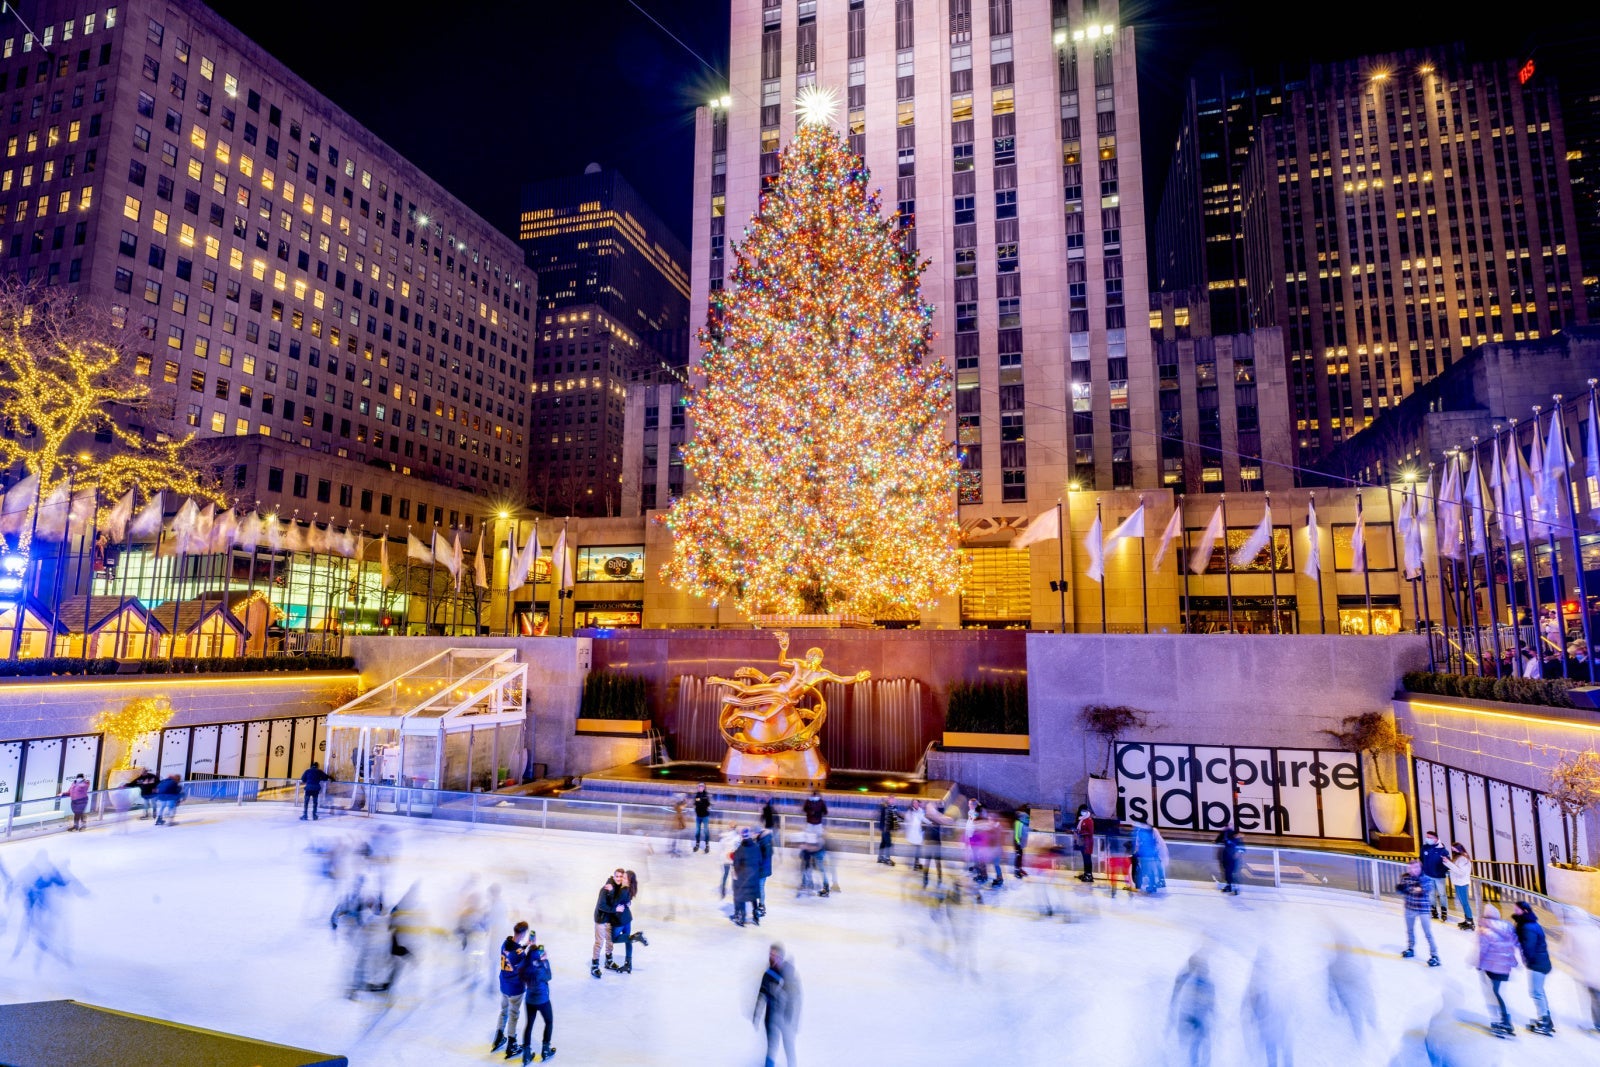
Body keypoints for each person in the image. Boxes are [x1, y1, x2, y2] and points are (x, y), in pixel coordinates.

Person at [1475, 903, 1520, 1037]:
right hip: (1505, 966)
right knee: (1498, 992)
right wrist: (1514, 962)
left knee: (1495, 993)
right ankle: (1504, 1020)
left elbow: (1483, 950)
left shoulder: (1484, 929)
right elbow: (1515, 944)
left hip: (1492, 966)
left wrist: (1479, 964)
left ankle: (1505, 1021)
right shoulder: (1507, 927)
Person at [752, 943, 800, 1067]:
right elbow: (762, 993)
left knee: (788, 1047)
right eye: (770, 955)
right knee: (772, 1046)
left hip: (786, 1018)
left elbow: (796, 998)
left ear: (781, 957)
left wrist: (794, 1020)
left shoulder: (789, 974)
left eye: (775, 955)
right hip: (771, 1017)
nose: (772, 957)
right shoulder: (768, 974)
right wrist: (757, 1012)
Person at [1512, 901, 1554, 1035]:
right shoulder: (1528, 923)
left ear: (1524, 911)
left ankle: (1545, 1021)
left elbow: (1528, 947)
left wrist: (1526, 960)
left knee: (1536, 992)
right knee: (1538, 991)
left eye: (1517, 909)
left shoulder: (1528, 926)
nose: (1515, 911)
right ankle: (1545, 1019)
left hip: (1537, 963)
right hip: (1539, 962)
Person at [1168, 952, 1215, 1067]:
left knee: (1193, 1047)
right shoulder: (1197, 980)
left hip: (1192, 1016)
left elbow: (1175, 995)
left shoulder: (1185, 978)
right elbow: (1210, 1002)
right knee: (1197, 1046)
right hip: (1194, 1017)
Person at [492, 921, 531, 1058]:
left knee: (504, 1011)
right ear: (523, 933)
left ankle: (498, 1036)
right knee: (514, 1014)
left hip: (504, 985)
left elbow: (516, 951)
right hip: (516, 988)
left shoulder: (505, 943)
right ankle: (511, 1044)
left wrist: (525, 946)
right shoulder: (519, 953)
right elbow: (525, 963)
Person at [1396, 858, 1441, 966]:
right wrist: (1400, 889)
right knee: (1410, 930)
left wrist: (1411, 889)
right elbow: (1403, 890)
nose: (1413, 870)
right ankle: (1411, 948)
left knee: (1428, 933)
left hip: (1423, 909)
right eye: (1411, 867)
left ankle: (1435, 956)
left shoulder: (1426, 878)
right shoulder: (1405, 877)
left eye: (1416, 867)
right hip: (1409, 907)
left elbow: (1424, 889)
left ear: (1420, 867)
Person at [518, 935, 555, 1063]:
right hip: (542, 1000)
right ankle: (545, 1050)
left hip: (529, 1001)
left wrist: (531, 946)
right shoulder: (540, 968)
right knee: (549, 1022)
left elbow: (527, 957)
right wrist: (545, 961)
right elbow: (549, 976)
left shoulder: (524, 966)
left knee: (529, 1025)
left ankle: (526, 1054)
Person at [607, 869, 647, 973]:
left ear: (628, 881)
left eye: (624, 878)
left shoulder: (623, 891)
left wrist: (611, 891)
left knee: (614, 939)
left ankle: (635, 936)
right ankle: (628, 965)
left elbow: (613, 903)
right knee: (627, 940)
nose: (621, 879)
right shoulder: (630, 889)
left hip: (619, 920)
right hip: (627, 919)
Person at [591, 869, 627, 978]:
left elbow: (618, 900)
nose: (619, 879)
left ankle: (608, 961)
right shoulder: (606, 888)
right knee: (599, 942)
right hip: (601, 919)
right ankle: (594, 966)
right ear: (614, 876)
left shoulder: (617, 888)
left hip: (609, 919)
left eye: (621, 877)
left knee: (610, 940)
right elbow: (602, 906)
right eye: (617, 876)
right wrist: (616, 909)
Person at [731, 828, 762, 926]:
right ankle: (756, 918)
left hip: (743, 878)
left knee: (741, 897)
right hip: (754, 878)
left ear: (742, 837)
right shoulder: (756, 847)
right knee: (753, 898)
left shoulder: (740, 849)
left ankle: (742, 918)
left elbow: (736, 865)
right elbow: (760, 861)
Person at [1420, 830, 1452, 922]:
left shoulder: (1443, 850)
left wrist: (1440, 871)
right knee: (1431, 894)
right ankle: (1433, 910)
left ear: (1436, 839)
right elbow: (1422, 859)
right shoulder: (1424, 848)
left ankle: (1444, 911)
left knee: (1442, 894)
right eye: (1427, 837)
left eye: (1430, 837)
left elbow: (1447, 864)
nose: (1427, 839)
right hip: (1428, 875)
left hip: (1439, 877)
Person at [1446, 842, 1475, 930]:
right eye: (1452, 849)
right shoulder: (1459, 857)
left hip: (1462, 883)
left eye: (1454, 848)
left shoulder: (1463, 858)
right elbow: (1455, 869)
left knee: (1465, 903)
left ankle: (1470, 922)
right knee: (1463, 903)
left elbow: (1461, 872)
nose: (1453, 850)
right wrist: (1447, 863)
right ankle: (1467, 920)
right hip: (1459, 883)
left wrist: (1448, 863)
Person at [1215, 825, 1243, 896]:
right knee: (1227, 872)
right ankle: (1229, 886)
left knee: (1233, 872)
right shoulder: (1226, 833)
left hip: (1233, 859)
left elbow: (1242, 848)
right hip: (1226, 857)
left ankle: (1235, 887)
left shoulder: (1237, 838)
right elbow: (1217, 840)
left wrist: (1238, 852)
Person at [756, 823, 775, 918]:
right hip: (762, 868)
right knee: (759, 887)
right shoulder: (764, 839)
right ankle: (760, 905)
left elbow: (765, 855)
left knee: (760, 887)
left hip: (763, 869)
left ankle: (762, 906)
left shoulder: (765, 842)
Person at [1073, 805, 1095, 883]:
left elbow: (1090, 832)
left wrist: (1079, 832)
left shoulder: (1089, 820)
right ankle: (1086, 873)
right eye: (1082, 810)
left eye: (1084, 810)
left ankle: (1089, 875)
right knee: (1085, 859)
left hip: (1087, 843)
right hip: (1083, 842)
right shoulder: (1082, 820)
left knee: (1087, 859)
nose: (1082, 812)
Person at [876, 798, 897, 866]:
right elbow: (882, 815)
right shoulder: (884, 806)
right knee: (889, 844)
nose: (893, 800)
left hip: (886, 828)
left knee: (883, 842)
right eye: (891, 799)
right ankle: (887, 859)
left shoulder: (891, 807)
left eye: (893, 799)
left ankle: (880, 857)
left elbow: (894, 817)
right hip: (885, 829)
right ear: (888, 799)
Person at [692, 784, 712, 853]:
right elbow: (695, 803)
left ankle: (707, 845)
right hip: (698, 816)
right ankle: (697, 844)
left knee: (706, 831)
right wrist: (695, 807)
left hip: (705, 816)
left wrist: (706, 804)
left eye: (702, 787)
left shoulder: (706, 795)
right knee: (697, 831)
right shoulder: (696, 795)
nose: (700, 788)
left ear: (704, 788)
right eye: (699, 787)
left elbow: (709, 804)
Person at [1011, 808, 1030, 880]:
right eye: (1024, 817)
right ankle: (1016, 872)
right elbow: (1016, 835)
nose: (1026, 818)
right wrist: (1018, 844)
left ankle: (1020, 869)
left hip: (1021, 844)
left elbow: (1026, 830)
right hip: (1018, 844)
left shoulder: (1023, 823)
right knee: (1018, 857)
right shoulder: (1018, 823)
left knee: (1020, 857)